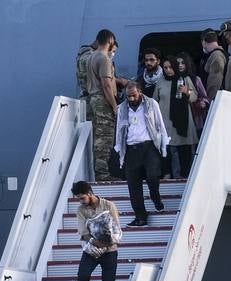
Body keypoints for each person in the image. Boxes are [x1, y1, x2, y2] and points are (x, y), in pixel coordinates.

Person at [113, 83, 167, 228]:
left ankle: (155, 197)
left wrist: (163, 144)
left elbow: (159, 124)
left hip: (149, 146)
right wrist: (119, 148)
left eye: (134, 95)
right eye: (128, 96)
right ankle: (140, 216)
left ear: (140, 92)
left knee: (153, 175)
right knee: (133, 184)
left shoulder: (151, 104)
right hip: (132, 148)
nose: (131, 98)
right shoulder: (122, 108)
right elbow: (120, 129)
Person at [71, 180, 122, 281]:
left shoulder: (108, 205)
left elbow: (116, 228)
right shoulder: (81, 210)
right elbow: (83, 232)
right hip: (92, 249)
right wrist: (97, 241)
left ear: (90, 193)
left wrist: (109, 241)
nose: (80, 201)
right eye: (78, 199)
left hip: (110, 251)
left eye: (82, 198)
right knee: (82, 276)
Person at [84, 29, 120, 181]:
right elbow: (106, 84)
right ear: (110, 41)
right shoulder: (104, 59)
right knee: (104, 138)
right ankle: (103, 174)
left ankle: (99, 172)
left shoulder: (90, 57)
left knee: (97, 137)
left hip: (93, 98)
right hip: (102, 101)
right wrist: (114, 105)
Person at [154, 58, 197, 179]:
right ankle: (168, 174)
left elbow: (194, 97)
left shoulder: (185, 79)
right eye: (165, 68)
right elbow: (154, 100)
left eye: (170, 67)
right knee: (167, 150)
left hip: (183, 121)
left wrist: (186, 91)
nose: (168, 70)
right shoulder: (160, 81)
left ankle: (184, 176)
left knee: (185, 151)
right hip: (165, 121)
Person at [178, 51, 211, 135]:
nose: (180, 65)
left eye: (183, 63)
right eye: (178, 63)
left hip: (195, 119)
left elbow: (205, 97)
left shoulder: (195, 80)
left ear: (187, 64)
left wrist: (202, 102)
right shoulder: (170, 80)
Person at [200, 28, 227, 105]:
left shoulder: (216, 56)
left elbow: (215, 82)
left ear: (204, 42)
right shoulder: (218, 54)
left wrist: (209, 101)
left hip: (216, 102)